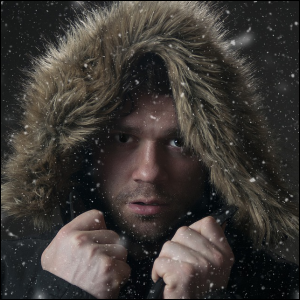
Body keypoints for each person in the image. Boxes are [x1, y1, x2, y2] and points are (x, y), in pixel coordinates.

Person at [1, 1, 299, 299]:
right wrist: (62, 292)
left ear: (217, 158)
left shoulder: (282, 287)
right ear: (82, 150)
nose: (149, 171)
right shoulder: (10, 274)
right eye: (122, 139)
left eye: (178, 142)